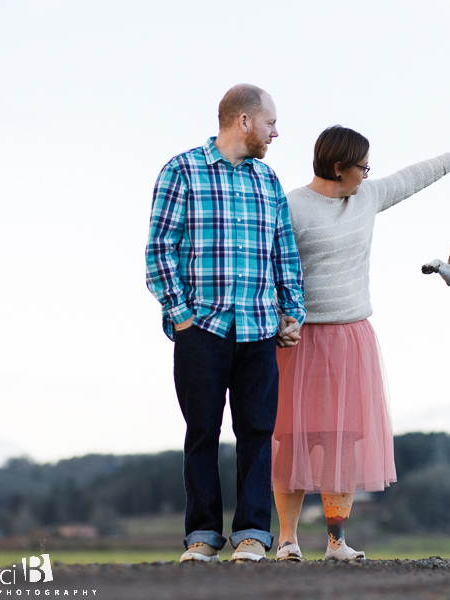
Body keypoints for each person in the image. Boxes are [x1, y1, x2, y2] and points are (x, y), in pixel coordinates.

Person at [271, 125, 450, 561]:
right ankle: (287, 542)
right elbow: (270, 265)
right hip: (298, 339)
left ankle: (336, 542)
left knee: (343, 441)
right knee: (295, 439)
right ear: (338, 167)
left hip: (351, 336)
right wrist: (279, 318)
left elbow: (411, 178)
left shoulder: (367, 198)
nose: (368, 174)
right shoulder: (291, 206)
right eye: (362, 167)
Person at [145, 84, 305, 563]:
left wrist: (292, 310)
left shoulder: (268, 181)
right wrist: (183, 316)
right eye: (271, 123)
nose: (276, 133)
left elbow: (285, 252)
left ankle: (253, 535)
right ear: (244, 121)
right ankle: (202, 538)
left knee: (257, 432)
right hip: (202, 330)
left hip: (258, 328)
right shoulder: (182, 171)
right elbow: (158, 253)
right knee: (202, 433)